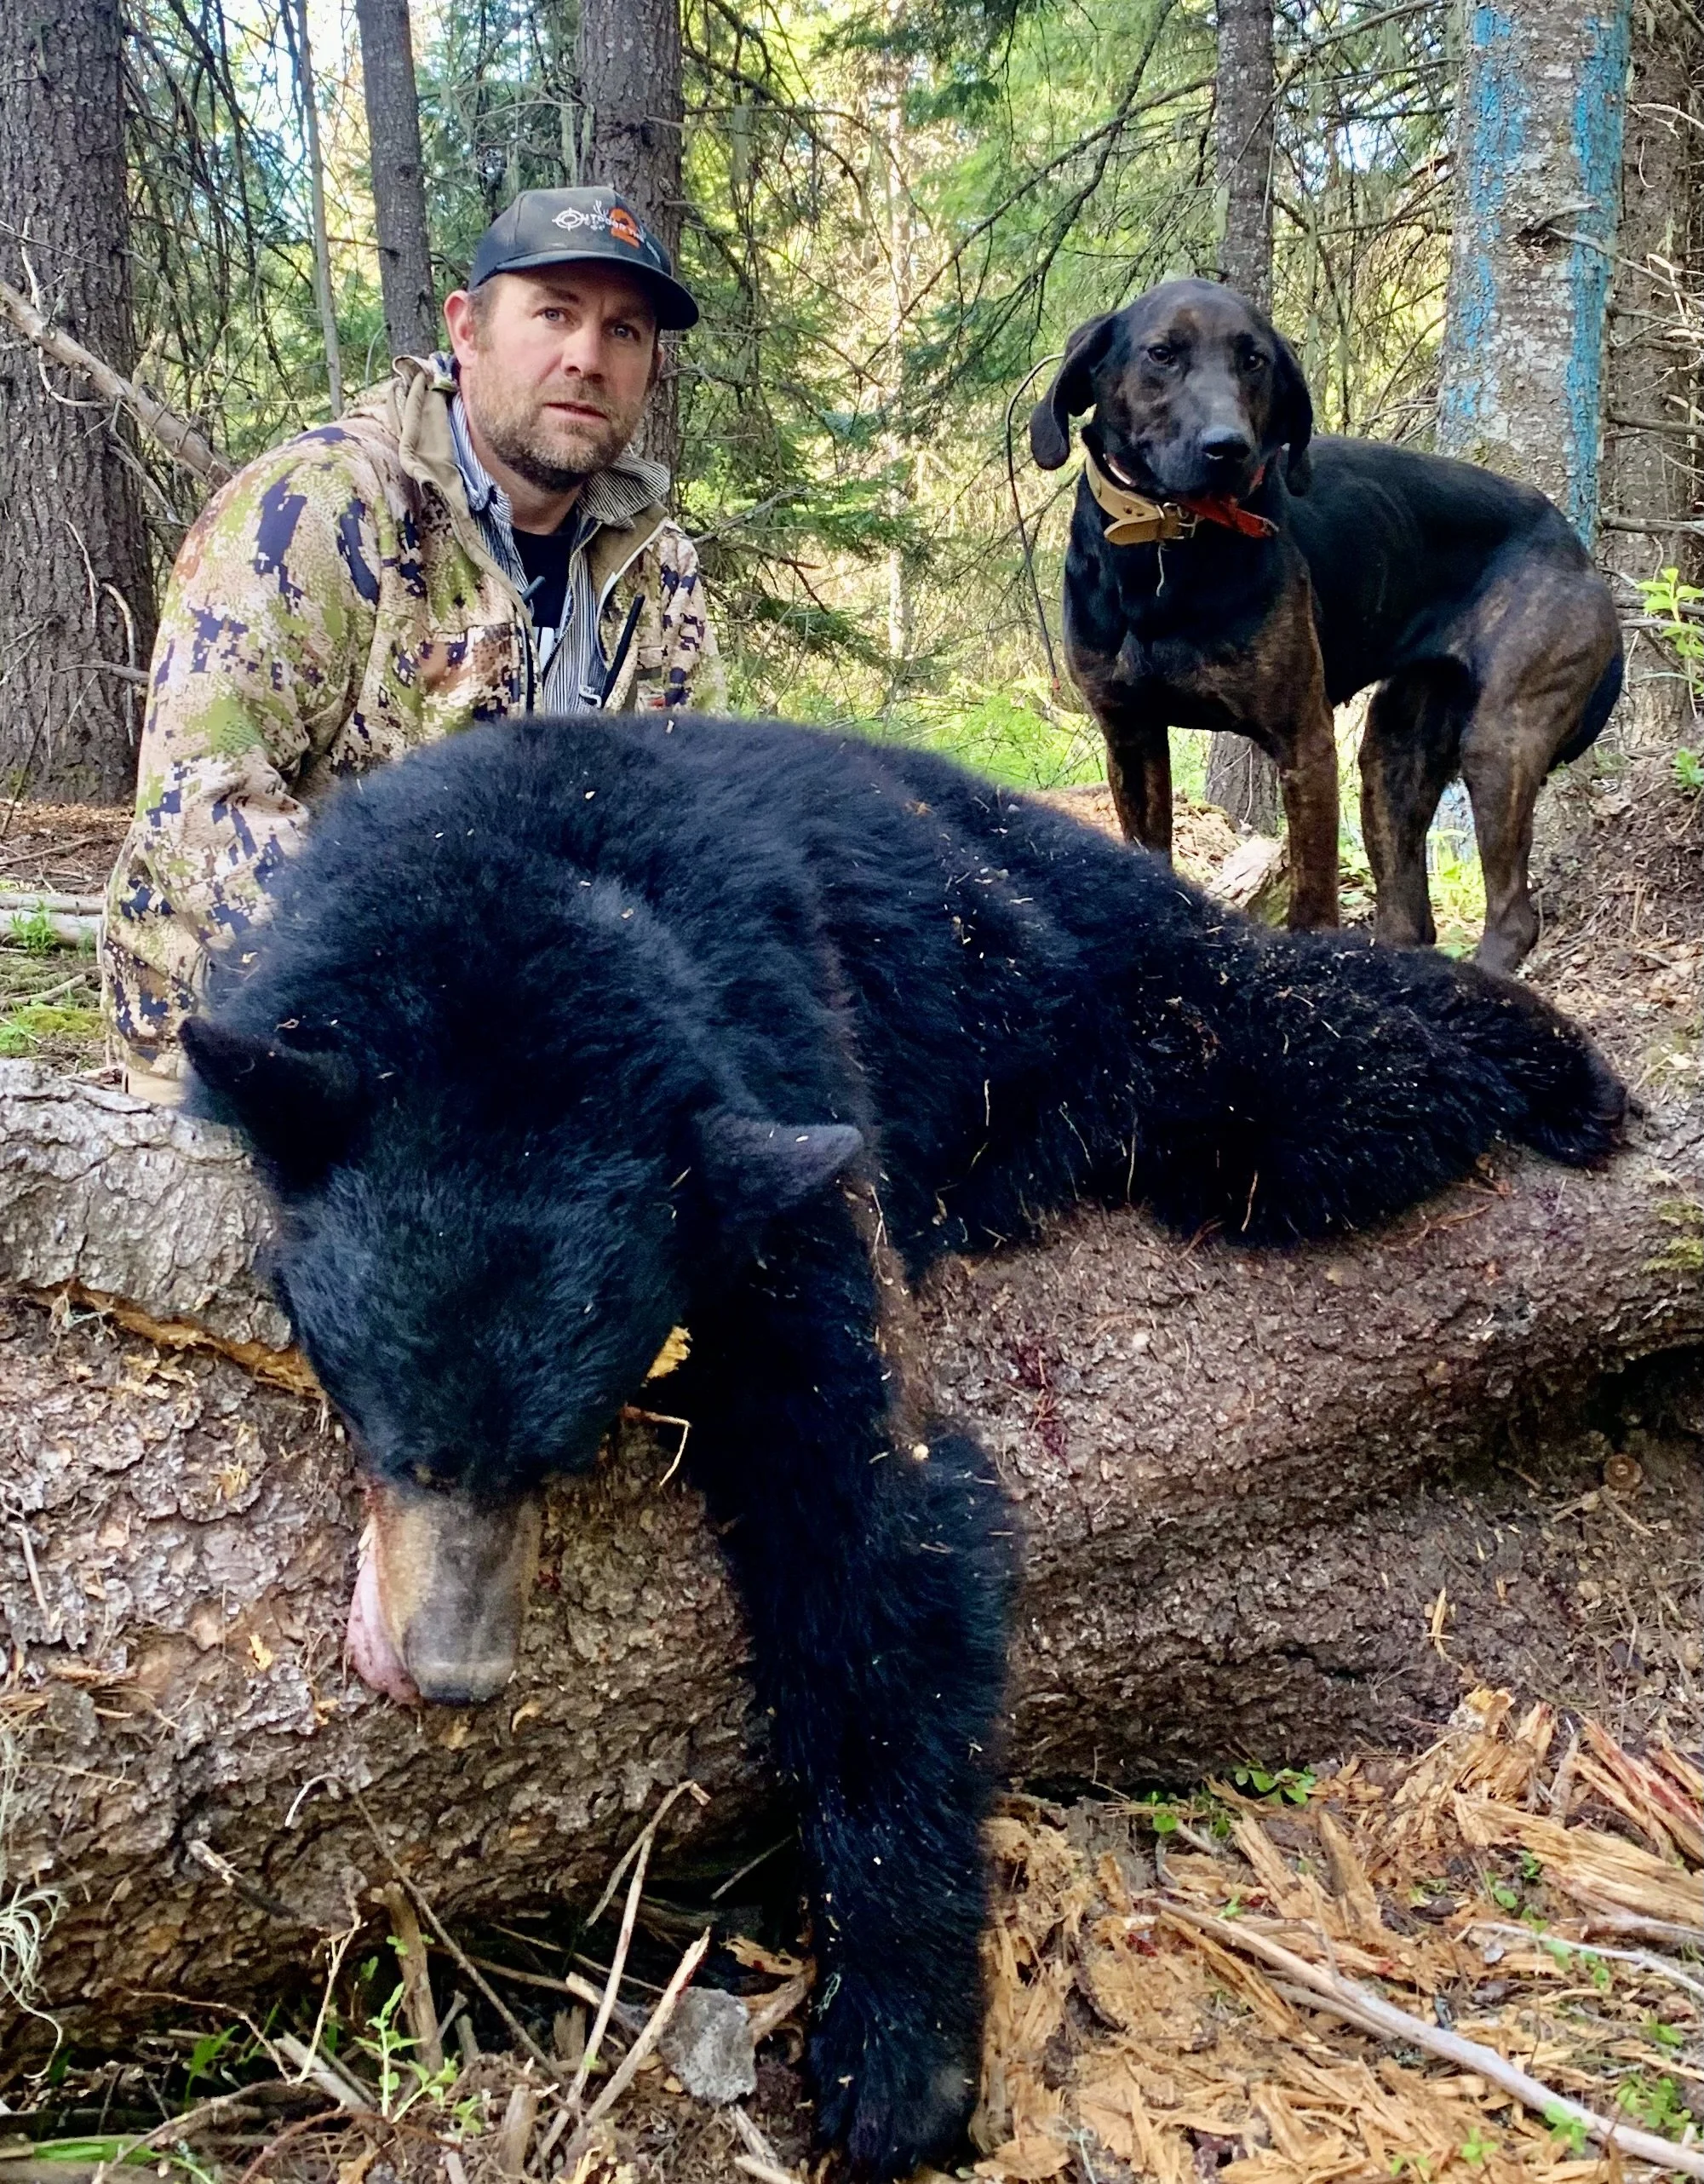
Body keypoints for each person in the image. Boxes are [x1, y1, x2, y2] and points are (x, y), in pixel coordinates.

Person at [101, 187, 724, 1100]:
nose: (587, 358)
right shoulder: (313, 510)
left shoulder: (657, 573)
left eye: (625, 331)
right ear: (466, 329)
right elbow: (201, 822)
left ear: (650, 371)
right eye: (554, 312)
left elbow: (680, 838)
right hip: (274, 1048)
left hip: (519, 1045)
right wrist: (468, 975)